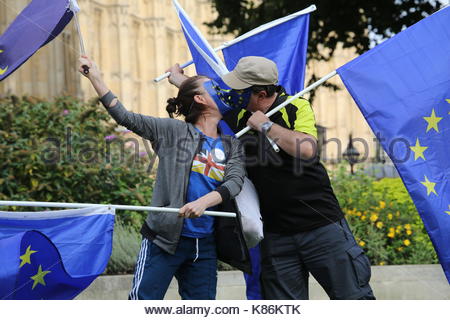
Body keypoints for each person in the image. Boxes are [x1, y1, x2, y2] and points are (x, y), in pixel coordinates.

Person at [169, 56, 375, 300]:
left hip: (322, 228)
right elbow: (206, 96)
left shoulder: (296, 106)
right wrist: (180, 80)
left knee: (355, 301)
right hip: (276, 238)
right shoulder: (238, 112)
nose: (232, 94)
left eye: (239, 90)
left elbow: (307, 149)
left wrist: (266, 126)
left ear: (261, 94)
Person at [78, 56, 250, 300]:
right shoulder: (173, 131)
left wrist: (204, 202)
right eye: (213, 87)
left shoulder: (232, 144)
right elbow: (125, 117)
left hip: (205, 245)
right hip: (164, 239)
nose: (221, 90)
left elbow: (234, 182)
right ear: (201, 100)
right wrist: (95, 78)